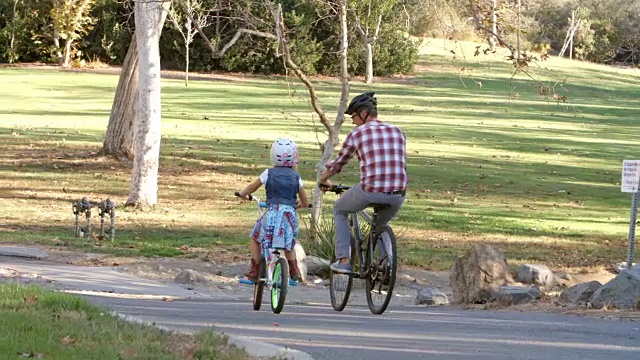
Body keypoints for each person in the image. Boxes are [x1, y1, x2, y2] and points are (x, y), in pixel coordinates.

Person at [318, 92, 407, 273]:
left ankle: (343, 260)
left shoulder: (357, 134)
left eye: (354, 116)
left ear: (364, 113)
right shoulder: (398, 132)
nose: (353, 121)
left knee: (340, 209)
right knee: (380, 225)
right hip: (398, 192)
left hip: (371, 188)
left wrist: (323, 179)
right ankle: (386, 265)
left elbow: (338, 163)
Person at [237, 137, 309, 282]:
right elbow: (305, 201)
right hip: (289, 215)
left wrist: (243, 194)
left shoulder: (267, 174)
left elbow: (252, 187)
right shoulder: (296, 177)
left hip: (272, 213)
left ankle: (254, 270)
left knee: (255, 236)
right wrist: (297, 205)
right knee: (289, 240)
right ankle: (294, 269)